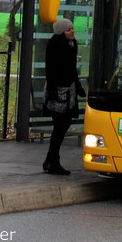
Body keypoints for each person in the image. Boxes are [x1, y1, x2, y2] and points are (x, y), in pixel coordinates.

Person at [42, 18, 85, 175]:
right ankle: (53, 161)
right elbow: (51, 70)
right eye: (68, 29)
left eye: (72, 28)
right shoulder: (55, 46)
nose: (72, 31)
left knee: (62, 126)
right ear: (61, 32)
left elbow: (72, 69)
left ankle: (50, 159)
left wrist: (78, 87)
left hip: (70, 92)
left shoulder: (72, 45)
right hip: (58, 93)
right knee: (60, 127)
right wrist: (53, 92)